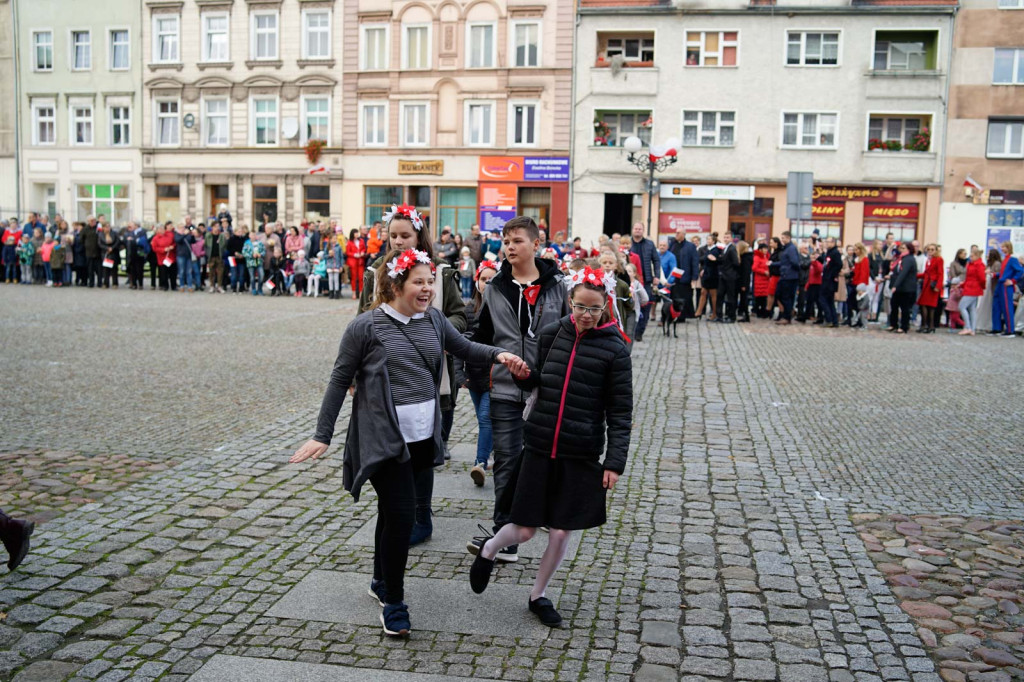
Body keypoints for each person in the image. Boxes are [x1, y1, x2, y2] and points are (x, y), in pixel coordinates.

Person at [289, 248, 526, 637]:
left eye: (431, 281)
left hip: (422, 437)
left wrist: (500, 354)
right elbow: (338, 379)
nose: (428, 289)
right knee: (401, 516)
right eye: (419, 281)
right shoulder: (365, 327)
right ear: (394, 285)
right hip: (383, 439)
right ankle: (394, 602)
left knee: (392, 513)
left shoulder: (432, 319)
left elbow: (464, 348)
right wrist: (322, 434)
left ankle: (380, 580)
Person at [467, 265, 632, 628]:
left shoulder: (616, 349)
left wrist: (614, 463)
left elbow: (620, 411)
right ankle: (491, 549)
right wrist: (526, 376)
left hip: (581, 451)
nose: (586, 316)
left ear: (606, 305)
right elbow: (540, 383)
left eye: (594, 309)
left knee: (560, 529)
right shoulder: (551, 334)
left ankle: (538, 595)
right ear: (570, 302)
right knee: (524, 529)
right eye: (580, 307)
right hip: (540, 444)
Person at [361, 206, 467, 545]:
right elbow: (363, 319)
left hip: (427, 371)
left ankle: (422, 514)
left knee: (421, 448)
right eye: (393, 236)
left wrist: (442, 336)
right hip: (387, 372)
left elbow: (460, 317)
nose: (398, 241)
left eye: (405, 235)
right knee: (391, 447)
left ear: (419, 236)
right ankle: (395, 511)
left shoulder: (441, 273)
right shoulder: (376, 272)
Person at [465, 216, 569, 564]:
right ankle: (504, 535)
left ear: (535, 244)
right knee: (507, 461)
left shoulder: (558, 286)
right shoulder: (495, 288)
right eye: (506, 241)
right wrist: (474, 369)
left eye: (517, 241)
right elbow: (483, 337)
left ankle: (532, 518)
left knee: (539, 461)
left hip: (547, 390)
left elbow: (571, 334)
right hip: (506, 388)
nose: (510, 247)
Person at [460, 259, 499, 486]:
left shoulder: (503, 309)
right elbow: (457, 345)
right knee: (484, 419)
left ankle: (480, 462)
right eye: (484, 279)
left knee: (486, 418)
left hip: (495, 375)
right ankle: (491, 452)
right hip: (474, 376)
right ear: (477, 283)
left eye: (492, 280)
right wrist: (459, 375)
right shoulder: (468, 310)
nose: (487, 283)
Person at [629, 223, 660, 341]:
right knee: (631, 305)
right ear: (632, 230)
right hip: (631, 280)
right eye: (635, 228)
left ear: (643, 231)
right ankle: (631, 330)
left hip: (646, 280)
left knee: (645, 305)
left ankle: (640, 331)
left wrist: (656, 276)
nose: (637, 231)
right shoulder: (628, 244)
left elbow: (656, 261)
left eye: (640, 229)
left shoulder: (649, 244)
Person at [993, 241, 1023, 337]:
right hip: (1001, 284)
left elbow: (1020, 270)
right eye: (1001, 247)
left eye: (1003, 247)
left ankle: (1010, 330)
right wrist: (994, 274)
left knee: (1007, 307)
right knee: (996, 306)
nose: (1002, 249)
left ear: (1008, 248)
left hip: (1006, 285)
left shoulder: (1012, 259)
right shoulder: (1005, 259)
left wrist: (1013, 281)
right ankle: (996, 328)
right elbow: (1004, 272)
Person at [889, 242, 918, 334]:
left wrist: (895, 285)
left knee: (904, 308)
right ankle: (893, 324)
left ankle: (904, 326)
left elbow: (903, 273)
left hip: (906, 288)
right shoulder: (900, 258)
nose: (902, 249)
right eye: (901, 248)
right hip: (899, 287)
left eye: (904, 248)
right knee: (894, 305)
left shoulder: (909, 259)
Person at [916, 244, 944, 334]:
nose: (930, 251)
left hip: (932, 285)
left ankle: (926, 325)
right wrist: (916, 275)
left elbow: (940, 274)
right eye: (928, 249)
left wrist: (938, 287)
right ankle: (929, 326)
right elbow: (926, 273)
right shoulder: (929, 260)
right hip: (927, 285)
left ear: (936, 250)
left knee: (927, 305)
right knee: (926, 305)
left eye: (932, 249)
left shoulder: (939, 259)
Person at [958, 247, 986, 336]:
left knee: (962, 306)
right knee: (972, 309)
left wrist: (982, 286)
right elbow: (969, 278)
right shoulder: (973, 264)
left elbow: (982, 278)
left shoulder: (978, 265)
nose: (970, 257)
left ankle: (968, 327)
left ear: (977, 256)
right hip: (972, 287)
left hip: (972, 288)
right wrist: (962, 284)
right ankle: (972, 328)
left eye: (972, 256)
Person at [774, 231, 801, 324]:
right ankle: (789, 312)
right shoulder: (787, 248)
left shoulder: (791, 249)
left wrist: (791, 271)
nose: (782, 240)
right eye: (782, 238)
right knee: (779, 295)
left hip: (789, 276)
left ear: (788, 238)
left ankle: (787, 317)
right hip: (785, 275)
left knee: (786, 297)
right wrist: (773, 264)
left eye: (783, 238)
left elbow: (795, 262)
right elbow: (784, 262)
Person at [818, 237, 842, 327]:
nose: (826, 243)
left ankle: (829, 319)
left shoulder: (835, 253)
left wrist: (832, 274)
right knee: (829, 301)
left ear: (833, 243)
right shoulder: (829, 252)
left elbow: (839, 264)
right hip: (826, 278)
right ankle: (834, 320)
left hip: (829, 280)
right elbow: (826, 264)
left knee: (823, 299)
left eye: (827, 242)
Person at [977, 248, 1001, 333]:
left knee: (988, 305)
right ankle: (981, 323)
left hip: (991, 285)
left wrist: (989, 273)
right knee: (983, 304)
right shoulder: (989, 264)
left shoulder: (996, 263)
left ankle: (988, 325)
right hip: (987, 285)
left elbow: (997, 274)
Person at [717, 238, 740, 323]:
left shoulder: (732, 248)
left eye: (727, 237)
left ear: (731, 239)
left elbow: (736, 263)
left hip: (730, 276)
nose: (725, 239)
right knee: (720, 295)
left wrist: (731, 272)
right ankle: (719, 315)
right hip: (723, 276)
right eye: (724, 237)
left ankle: (731, 316)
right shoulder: (725, 248)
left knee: (731, 297)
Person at [946, 249, 968, 331]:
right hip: (956, 285)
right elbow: (952, 274)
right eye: (963, 254)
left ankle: (964, 324)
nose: (964, 256)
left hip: (965, 285)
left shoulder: (967, 264)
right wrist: (956, 283)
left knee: (962, 305)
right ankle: (953, 325)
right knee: (953, 305)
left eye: (965, 254)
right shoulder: (954, 264)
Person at [97, 223, 122, 289]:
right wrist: (106, 248)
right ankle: (105, 283)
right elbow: (100, 243)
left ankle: (115, 283)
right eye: (106, 227)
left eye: (109, 227)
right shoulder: (101, 234)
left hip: (113, 253)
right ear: (103, 228)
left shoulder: (114, 233)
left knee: (114, 269)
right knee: (105, 270)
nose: (108, 228)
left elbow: (117, 241)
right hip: (105, 253)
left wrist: (112, 248)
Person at [243, 231, 266, 296]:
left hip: (259, 261)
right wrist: (251, 255)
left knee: (261, 275)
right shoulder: (246, 243)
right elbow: (244, 252)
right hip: (250, 262)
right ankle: (253, 289)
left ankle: (260, 289)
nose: (253, 236)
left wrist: (260, 254)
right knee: (252, 277)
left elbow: (264, 251)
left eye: (254, 235)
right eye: (252, 235)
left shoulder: (260, 243)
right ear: (249, 236)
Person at [752, 242, 771, 318]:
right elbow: (754, 268)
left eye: (767, 248)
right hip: (760, 280)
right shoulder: (757, 257)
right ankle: (759, 311)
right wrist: (763, 272)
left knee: (764, 297)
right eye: (764, 248)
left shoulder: (766, 256)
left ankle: (763, 311)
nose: (766, 250)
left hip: (766, 280)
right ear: (760, 249)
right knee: (760, 297)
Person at [346, 228, 366, 300]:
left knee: (361, 277)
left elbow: (364, 248)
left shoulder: (361, 241)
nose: (357, 234)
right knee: (354, 278)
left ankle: (361, 293)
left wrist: (363, 252)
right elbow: (348, 252)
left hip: (360, 261)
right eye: (356, 233)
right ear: (353, 234)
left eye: (357, 233)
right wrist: (354, 254)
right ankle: (353, 293)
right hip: (353, 261)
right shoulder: (349, 242)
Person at [737, 241, 753, 322]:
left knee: (744, 298)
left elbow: (746, 272)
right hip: (744, 281)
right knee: (743, 298)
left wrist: (743, 284)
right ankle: (744, 314)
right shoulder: (745, 257)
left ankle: (746, 316)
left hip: (744, 281)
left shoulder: (745, 258)